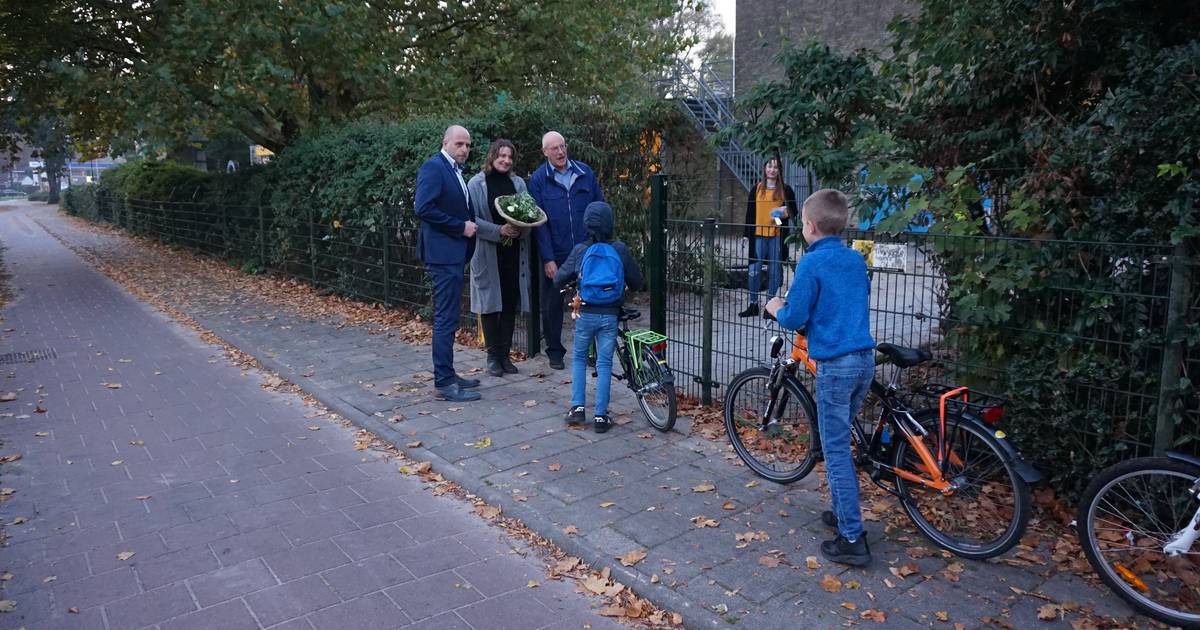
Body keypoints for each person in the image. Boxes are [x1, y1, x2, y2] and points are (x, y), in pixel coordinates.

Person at [765, 188, 876, 566]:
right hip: (864, 360)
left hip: (836, 365)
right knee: (841, 437)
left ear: (809, 226)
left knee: (835, 450)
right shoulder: (854, 259)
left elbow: (795, 317)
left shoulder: (811, 264)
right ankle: (845, 512)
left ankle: (852, 539)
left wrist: (776, 307)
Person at [553, 201, 642, 434]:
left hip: (586, 314)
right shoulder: (619, 248)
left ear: (586, 224)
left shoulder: (580, 250)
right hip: (610, 315)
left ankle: (578, 409)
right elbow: (637, 281)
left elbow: (559, 278)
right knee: (604, 364)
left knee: (580, 359)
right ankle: (601, 417)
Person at [414, 125, 481, 402]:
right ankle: (443, 382)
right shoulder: (434, 168)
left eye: (467, 145)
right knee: (444, 319)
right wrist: (460, 227)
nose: (464, 149)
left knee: (450, 317)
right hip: (442, 255)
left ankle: (449, 374)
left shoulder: (453, 170)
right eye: (459, 144)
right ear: (445, 143)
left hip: (453, 255)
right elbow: (423, 208)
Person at [529, 131, 605, 370]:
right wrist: (548, 258)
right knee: (552, 304)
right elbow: (538, 223)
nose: (561, 152)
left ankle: (592, 352)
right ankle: (555, 352)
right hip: (557, 252)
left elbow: (599, 208)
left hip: (585, 250)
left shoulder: (584, 172)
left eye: (562, 147)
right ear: (545, 152)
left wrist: (599, 244)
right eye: (554, 149)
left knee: (591, 300)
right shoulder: (539, 180)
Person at [467, 139, 531, 377]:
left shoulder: (518, 183)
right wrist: (498, 231)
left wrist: (520, 229)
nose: (506, 160)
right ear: (492, 156)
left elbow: (529, 213)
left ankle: (506, 355)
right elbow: (470, 218)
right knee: (490, 306)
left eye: (510, 157)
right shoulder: (476, 184)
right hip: (488, 253)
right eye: (501, 155)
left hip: (513, 252)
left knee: (508, 303)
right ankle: (492, 356)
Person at [739, 157, 798, 318]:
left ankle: (770, 307)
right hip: (757, 235)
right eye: (769, 166)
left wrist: (783, 212)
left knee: (774, 270)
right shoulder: (756, 188)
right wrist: (746, 234)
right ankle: (753, 304)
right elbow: (750, 213)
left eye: (776, 167)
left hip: (777, 237)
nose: (772, 170)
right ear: (764, 168)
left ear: (780, 170)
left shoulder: (786, 190)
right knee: (754, 270)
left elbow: (794, 212)